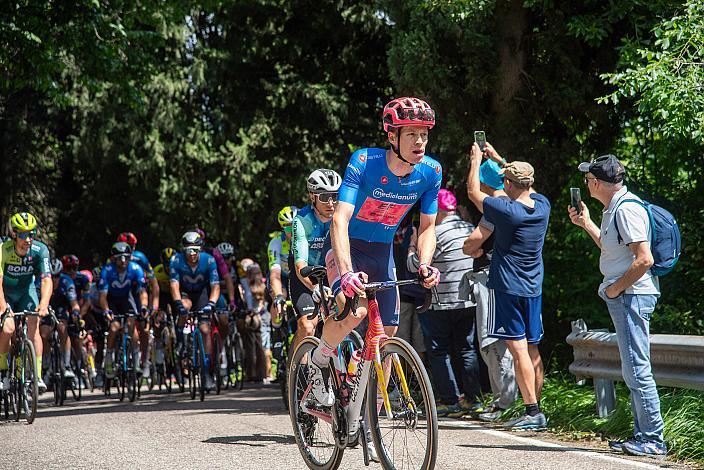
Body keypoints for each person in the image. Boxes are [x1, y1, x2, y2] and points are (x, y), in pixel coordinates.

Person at [310, 96, 442, 405]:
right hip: (347, 247)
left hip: (381, 252)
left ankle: (369, 413)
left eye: (424, 134)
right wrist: (345, 274)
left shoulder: (431, 172)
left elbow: (427, 227)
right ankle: (317, 363)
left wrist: (425, 264)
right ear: (392, 136)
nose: (420, 142)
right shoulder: (365, 162)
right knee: (354, 312)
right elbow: (339, 220)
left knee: (388, 332)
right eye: (411, 134)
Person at [569, 154, 667, 458]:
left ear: (596, 182)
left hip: (632, 296)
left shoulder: (626, 210)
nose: (586, 183)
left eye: (588, 179)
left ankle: (653, 438)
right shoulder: (613, 209)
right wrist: (586, 223)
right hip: (628, 295)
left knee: (637, 368)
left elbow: (644, 259)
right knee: (632, 368)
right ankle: (643, 435)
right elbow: (615, 251)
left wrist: (615, 289)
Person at [466, 142, 551, 431]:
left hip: (508, 287)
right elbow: (524, 184)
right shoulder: (542, 206)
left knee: (517, 350)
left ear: (508, 184)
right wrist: (500, 158)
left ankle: (531, 412)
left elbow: (473, 193)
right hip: (533, 287)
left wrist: (477, 160)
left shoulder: (506, 210)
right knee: (533, 348)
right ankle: (537, 407)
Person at [408, 188, 481, 417]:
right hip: (467, 301)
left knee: (438, 351)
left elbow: (415, 266)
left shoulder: (435, 233)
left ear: (438, 211)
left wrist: (412, 245)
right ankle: (473, 399)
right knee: (467, 348)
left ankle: (450, 400)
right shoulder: (469, 229)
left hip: (440, 302)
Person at [462, 159, 517, 421]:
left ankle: (503, 403)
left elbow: (471, 245)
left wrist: (472, 248)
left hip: (491, 279)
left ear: (485, 182)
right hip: (518, 279)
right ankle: (522, 403)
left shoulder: (495, 209)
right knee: (519, 342)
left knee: (492, 340)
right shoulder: (524, 203)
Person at [289, 169, 341, 351]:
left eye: (335, 196)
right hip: (305, 276)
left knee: (345, 321)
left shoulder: (342, 217)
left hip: (331, 271)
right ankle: (299, 373)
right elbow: (300, 265)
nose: (331, 202)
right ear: (313, 197)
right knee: (307, 326)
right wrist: (314, 288)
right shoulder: (302, 220)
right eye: (324, 196)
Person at [0, 212, 52, 393]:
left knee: (33, 325)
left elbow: (46, 280)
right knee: (8, 328)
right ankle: (3, 372)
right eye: (23, 234)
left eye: (31, 233)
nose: (28, 239)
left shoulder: (40, 250)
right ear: (14, 234)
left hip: (26, 291)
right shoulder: (3, 249)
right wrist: (2, 308)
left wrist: (44, 304)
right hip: (5, 292)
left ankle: (36, 377)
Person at [169, 231, 220, 391]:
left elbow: (215, 286)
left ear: (201, 249)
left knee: (205, 329)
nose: (192, 254)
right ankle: (180, 339)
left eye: (196, 250)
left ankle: (207, 370)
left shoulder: (209, 260)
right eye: (189, 250)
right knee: (185, 307)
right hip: (185, 293)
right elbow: (174, 285)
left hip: (202, 294)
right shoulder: (176, 260)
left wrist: (211, 303)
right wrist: (178, 303)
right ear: (183, 250)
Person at [99, 242, 149, 379]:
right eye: (119, 258)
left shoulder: (135, 269)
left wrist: (144, 306)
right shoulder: (107, 271)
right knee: (114, 327)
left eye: (126, 257)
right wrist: (106, 310)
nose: (123, 261)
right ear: (114, 259)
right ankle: (108, 357)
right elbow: (102, 297)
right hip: (112, 300)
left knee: (132, 325)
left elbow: (143, 292)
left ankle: (136, 360)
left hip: (128, 298)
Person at [117, 232, 158, 374]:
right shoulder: (115, 258)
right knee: (125, 325)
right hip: (122, 293)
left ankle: (145, 360)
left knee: (144, 328)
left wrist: (154, 305)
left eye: (131, 247)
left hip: (138, 293)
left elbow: (153, 283)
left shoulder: (141, 258)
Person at [393, 214, 426, 359]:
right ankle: (406, 377)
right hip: (405, 289)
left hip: (415, 289)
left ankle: (418, 376)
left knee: (417, 338)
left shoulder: (418, 228)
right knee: (403, 338)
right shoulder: (417, 227)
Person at [268, 206, 297, 323]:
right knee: (280, 295)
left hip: (298, 276)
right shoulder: (276, 242)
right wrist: (278, 295)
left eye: (295, 226)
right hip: (282, 276)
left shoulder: (308, 239)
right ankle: (277, 330)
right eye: (289, 228)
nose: (293, 231)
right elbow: (275, 274)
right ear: (283, 229)